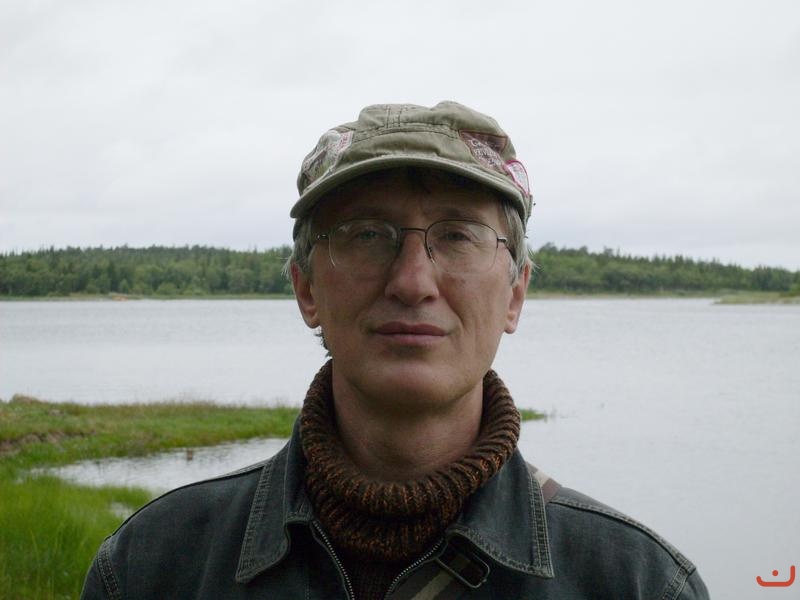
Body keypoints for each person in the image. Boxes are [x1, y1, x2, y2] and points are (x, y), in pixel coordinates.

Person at [81, 101, 709, 599]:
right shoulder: (151, 567)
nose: (412, 282)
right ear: (306, 290)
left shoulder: (637, 583)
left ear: (515, 294)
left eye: (458, 236)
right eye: (367, 234)